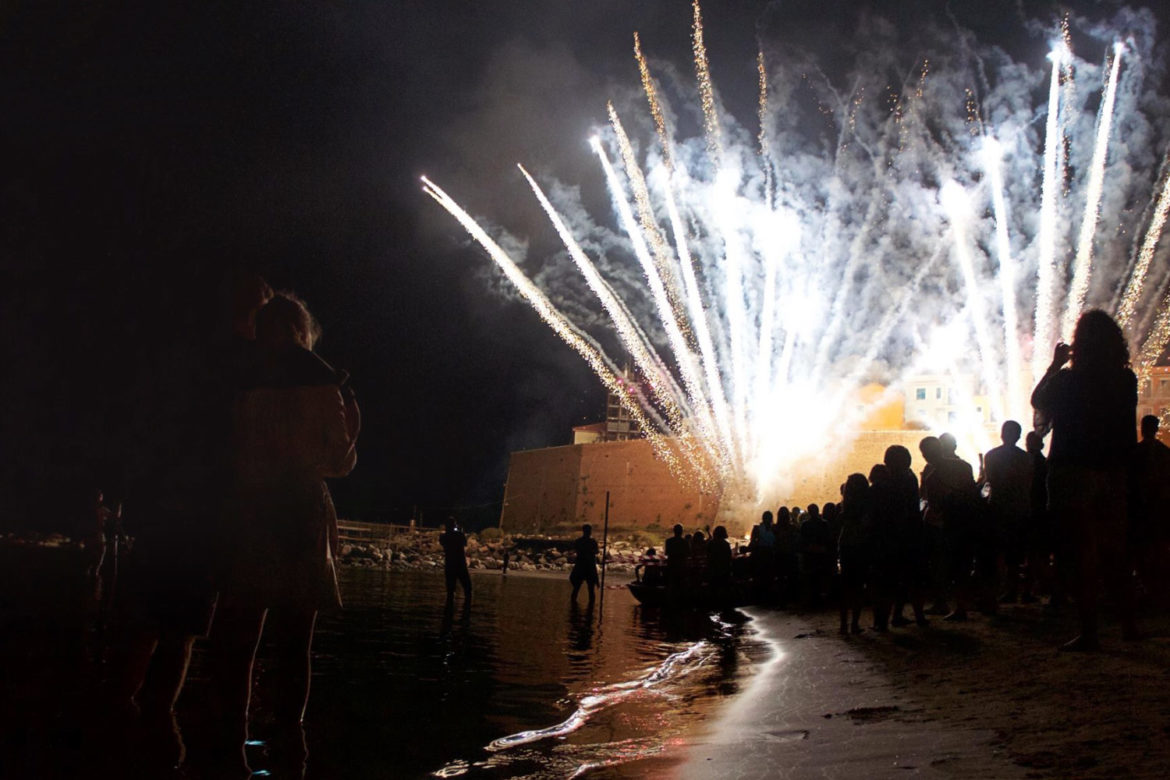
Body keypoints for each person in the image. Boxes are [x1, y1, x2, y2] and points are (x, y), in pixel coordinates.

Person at [208, 292, 359, 769]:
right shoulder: (323, 383)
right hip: (300, 513)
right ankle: (289, 742)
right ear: (302, 331)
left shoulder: (240, 383)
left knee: (241, 637)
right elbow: (337, 462)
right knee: (296, 643)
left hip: (250, 511)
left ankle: (230, 738)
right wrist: (354, 432)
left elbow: (228, 453)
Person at [1032, 309, 1138, 651]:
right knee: (1114, 553)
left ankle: (1090, 631)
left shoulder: (1067, 380)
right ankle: (1129, 625)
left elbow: (1038, 401)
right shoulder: (1126, 380)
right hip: (1112, 472)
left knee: (1081, 555)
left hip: (1073, 470)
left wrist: (1055, 364)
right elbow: (1126, 430)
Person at [921, 433, 981, 621]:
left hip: (947, 527)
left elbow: (934, 506)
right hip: (967, 522)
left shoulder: (932, 477)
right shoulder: (963, 466)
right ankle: (962, 605)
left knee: (947, 567)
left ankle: (953, 605)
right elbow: (973, 492)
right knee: (963, 565)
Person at [982, 421, 1033, 603]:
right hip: (1020, 510)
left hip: (997, 508)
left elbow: (989, 482)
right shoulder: (1027, 458)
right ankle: (1012, 590)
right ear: (1019, 436)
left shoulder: (992, 456)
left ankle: (994, 593)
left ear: (1002, 434)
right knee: (1015, 554)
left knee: (996, 553)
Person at [1131, 415, 1170, 605]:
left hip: (1141, 510)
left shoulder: (1135, 453)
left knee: (1143, 550)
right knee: (1159, 549)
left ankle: (1148, 585)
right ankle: (1158, 587)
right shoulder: (1164, 452)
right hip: (1160, 508)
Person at [837, 473, 871, 635]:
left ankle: (843, 624)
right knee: (858, 586)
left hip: (846, 545)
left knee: (845, 585)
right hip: (861, 545)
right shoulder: (866, 506)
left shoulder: (845, 506)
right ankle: (855, 624)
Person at [440, 518, 472, 604]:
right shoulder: (459, 535)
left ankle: (448, 611)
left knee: (450, 590)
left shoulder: (443, 536)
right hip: (460, 563)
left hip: (450, 564)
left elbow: (442, 543)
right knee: (467, 588)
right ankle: (467, 610)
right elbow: (464, 543)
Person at [569, 524, 599, 603]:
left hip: (583, 567)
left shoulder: (579, 541)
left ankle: (575, 607)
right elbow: (596, 551)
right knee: (588, 590)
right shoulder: (592, 542)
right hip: (587, 567)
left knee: (578, 589)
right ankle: (589, 609)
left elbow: (595, 551)